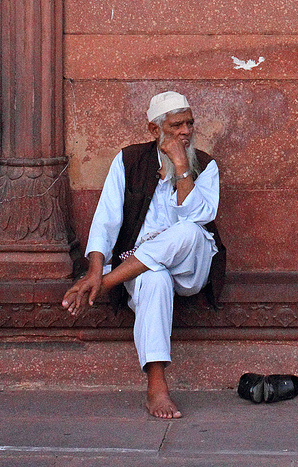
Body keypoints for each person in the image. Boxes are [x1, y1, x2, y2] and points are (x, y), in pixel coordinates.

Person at [62, 91, 225, 419]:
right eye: (176, 125)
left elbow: (202, 215)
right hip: (138, 264)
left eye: (190, 124)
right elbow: (105, 220)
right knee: (152, 278)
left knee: (190, 231)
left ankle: (109, 283)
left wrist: (181, 166)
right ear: (154, 130)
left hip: (190, 266)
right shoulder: (129, 161)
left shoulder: (205, 165)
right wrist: (94, 268)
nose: (185, 132)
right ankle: (157, 386)